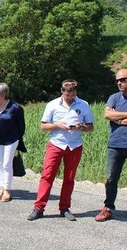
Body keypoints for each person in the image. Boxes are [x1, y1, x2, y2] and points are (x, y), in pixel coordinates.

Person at [27, 79, 94, 221]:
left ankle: (64, 208)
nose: (70, 97)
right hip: (56, 144)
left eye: (73, 94)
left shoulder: (84, 105)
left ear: (76, 92)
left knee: (69, 178)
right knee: (47, 175)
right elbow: (43, 126)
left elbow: (90, 127)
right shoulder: (52, 105)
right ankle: (39, 208)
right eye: (67, 94)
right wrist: (57, 125)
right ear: (62, 91)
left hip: (75, 145)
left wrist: (80, 127)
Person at [95, 69, 127, 222]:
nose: (120, 82)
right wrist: (122, 119)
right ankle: (108, 208)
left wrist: (117, 116)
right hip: (116, 145)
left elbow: (113, 114)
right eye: (117, 80)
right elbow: (107, 114)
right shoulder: (114, 97)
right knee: (111, 178)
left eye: (123, 79)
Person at [0, 83, 26, 202]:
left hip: (11, 140)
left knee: (6, 163)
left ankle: (7, 190)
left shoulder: (15, 108)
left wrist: (17, 138)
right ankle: (1, 187)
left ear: (3, 94)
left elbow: (21, 127)